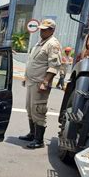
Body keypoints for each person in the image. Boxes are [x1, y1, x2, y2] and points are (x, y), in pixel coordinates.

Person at [19, 19, 62, 149]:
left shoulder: (53, 44)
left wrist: (45, 82)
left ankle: (39, 140)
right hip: (32, 81)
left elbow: (54, 66)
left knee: (38, 110)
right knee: (30, 109)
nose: (41, 31)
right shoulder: (41, 42)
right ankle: (32, 134)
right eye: (41, 29)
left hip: (40, 83)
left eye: (45, 29)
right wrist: (26, 77)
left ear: (52, 30)